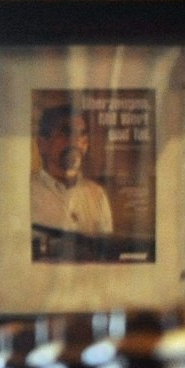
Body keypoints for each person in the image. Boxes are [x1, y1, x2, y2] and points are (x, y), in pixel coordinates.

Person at [30, 103, 114, 258]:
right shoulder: (26, 193)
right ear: (42, 144)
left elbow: (106, 255)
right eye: (66, 133)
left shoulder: (97, 194)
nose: (76, 142)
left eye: (81, 135)